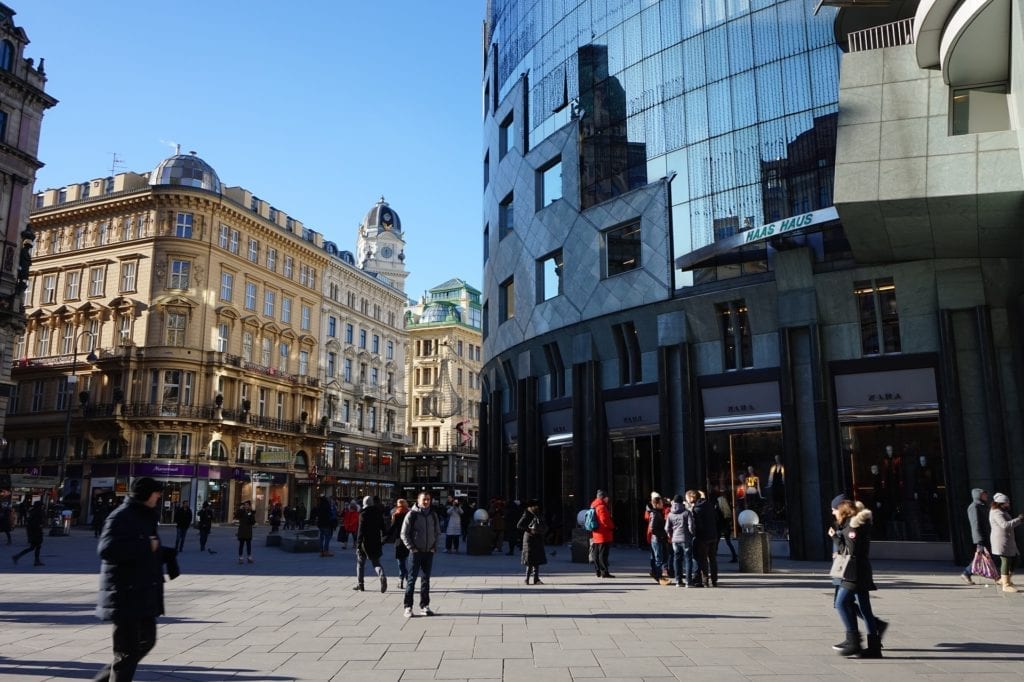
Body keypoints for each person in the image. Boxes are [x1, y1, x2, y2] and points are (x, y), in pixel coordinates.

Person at [94, 477, 179, 682]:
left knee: (146, 641)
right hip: (125, 593)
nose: (159, 496)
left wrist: (164, 553)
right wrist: (146, 547)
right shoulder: (121, 516)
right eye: (157, 493)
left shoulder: (145, 516)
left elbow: (145, 546)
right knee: (127, 651)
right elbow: (107, 550)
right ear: (146, 494)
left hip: (143, 592)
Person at [829, 496, 881, 658]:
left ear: (842, 510)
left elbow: (850, 552)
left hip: (853, 573)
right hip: (861, 571)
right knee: (865, 608)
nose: (833, 513)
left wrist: (836, 538)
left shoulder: (851, 527)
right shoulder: (855, 524)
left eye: (835, 510)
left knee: (841, 603)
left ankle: (854, 641)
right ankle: (874, 647)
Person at [400, 490, 440, 618]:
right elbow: (404, 533)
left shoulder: (433, 515)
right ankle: (408, 607)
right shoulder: (412, 515)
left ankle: (424, 606)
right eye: (424, 499)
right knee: (411, 580)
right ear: (418, 500)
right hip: (416, 552)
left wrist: (434, 546)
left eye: (428, 499)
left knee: (426, 580)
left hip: (429, 552)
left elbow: (437, 532)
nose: (427, 502)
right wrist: (412, 548)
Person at [989, 492, 1024, 593]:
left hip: (1008, 540)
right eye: (1006, 503)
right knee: (1006, 560)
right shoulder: (996, 512)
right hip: (1001, 541)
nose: (1008, 505)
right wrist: (1019, 519)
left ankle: (1003, 580)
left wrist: (1018, 519)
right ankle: (1006, 584)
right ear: (1000, 503)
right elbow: (1005, 525)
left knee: (1015, 559)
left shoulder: (1001, 511)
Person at [354, 495, 388, 592]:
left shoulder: (363, 514)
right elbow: (383, 528)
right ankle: (381, 575)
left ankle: (360, 584)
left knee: (360, 563)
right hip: (376, 541)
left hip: (365, 543)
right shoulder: (378, 513)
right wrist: (383, 539)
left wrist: (358, 545)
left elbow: (360, 531)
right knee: (376, 562)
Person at [665, 493, 695, 587]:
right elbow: (691, 527)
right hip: (685, 539)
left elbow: (666, 528)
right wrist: (692, 534)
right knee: (688, 559)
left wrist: (670, 535)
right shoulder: (686, 512)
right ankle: (688, 581)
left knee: (677, 559)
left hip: (675, 540)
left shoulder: (670, 514)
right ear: (682, 502)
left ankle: (678, 580)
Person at [961, 488, 991, 584]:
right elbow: (975, 524)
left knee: (985, 556)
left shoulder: (983, 506)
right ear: (978, 495)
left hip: (987, 535)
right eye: (983, 494)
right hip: (981, 537)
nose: (986, 495)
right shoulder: (974, 507)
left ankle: (997, 576)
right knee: (980, 556)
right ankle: (966, 573)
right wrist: (979, 539)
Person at [692, 490, 719, 587]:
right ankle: (714, 580)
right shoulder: (710, 506)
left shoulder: (696, 509)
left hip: (703, 537)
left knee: (703, 559)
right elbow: (716, 518)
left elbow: (697, 525)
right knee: (712, 559)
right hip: (713, 535)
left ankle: (705, 580)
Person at [518, 499, 548, 584]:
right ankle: (527, 579)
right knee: (530, 559)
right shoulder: (527, 513)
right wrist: (529, 530)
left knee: (535, 559)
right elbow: (519, 525)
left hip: (536, 537)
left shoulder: (539, 514)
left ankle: (535, 578)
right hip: (530, 538)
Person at [590, 490, 615, 578]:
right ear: (603, 498)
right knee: (603, 554)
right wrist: (612, 526)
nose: (608, 499)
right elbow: (604, 520)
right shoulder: (601, 507)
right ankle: (604, 572)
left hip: (596, 533)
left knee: (596, 553)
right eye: (607, 497)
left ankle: (598, 571)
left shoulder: (594, 505)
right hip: (603, 534)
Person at [644, 492, 669, 583]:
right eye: (661, 503)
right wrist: (662, 535)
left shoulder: (657, 512)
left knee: (657, 558)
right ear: (657, 504)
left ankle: (657, 574)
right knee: (658, 559)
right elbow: (653, 528)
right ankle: (659, 577)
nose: (663, 504)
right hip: (657, 538)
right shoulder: (655, 513)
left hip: (657, 538)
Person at [12, 500, 45, 566]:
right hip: (36, 532)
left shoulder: (32, 512)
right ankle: (36, 561)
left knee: (33, 547)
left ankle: (17, 556)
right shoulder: (38, 513)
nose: (42, 507)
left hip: (32, 532)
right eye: (41, 506)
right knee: (37, 546)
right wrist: (40, 527)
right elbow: (37, 523)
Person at [388, 498, 411, 589]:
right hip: (409, 540)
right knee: (406, 560)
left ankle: (402, 579)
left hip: (399, 540)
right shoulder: (410, 514)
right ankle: (407, 579)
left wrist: (384, 537)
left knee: (401, 561)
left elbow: (392, 529)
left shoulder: (396, 515)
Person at [716, 490, 738, 563]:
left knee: (716, 543)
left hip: (719, 528)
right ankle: (734, 556)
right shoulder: (727, 510)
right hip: (726, 528)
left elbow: (717, 519)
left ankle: (713, 557)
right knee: (728, 542)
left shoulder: (718, 510)